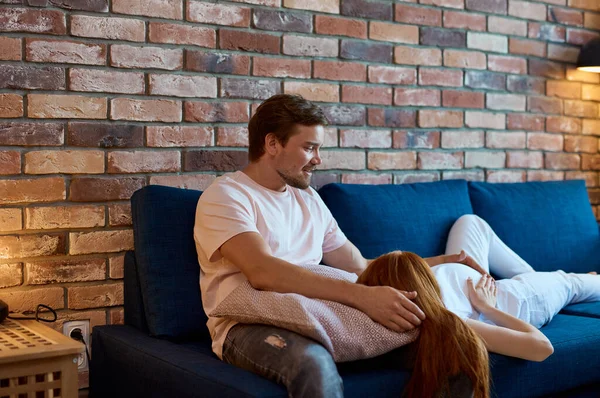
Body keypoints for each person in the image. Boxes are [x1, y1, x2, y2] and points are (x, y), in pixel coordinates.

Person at [194, 94, 479, 397]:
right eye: (309, 147)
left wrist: (442, 262)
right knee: (313, 364)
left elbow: (361, 266)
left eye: (318, 148)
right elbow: (263, 272)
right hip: (245, 326)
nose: (318, 158)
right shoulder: (227, 196)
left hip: (313, 313)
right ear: (272, 144)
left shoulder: (309, 200)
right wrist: (362, 296)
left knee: (453, 348)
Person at [357, 214, 600, 398]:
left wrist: (448, 263)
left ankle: (540, 277)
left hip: (470, 274)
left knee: (470, 221)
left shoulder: (380, 296)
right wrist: (488, 308)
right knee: (571, 283)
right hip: (517, 296)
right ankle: (561, 284)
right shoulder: (453, 320)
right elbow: (541, 348)